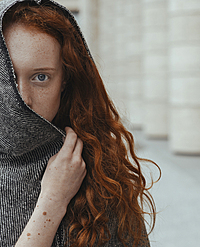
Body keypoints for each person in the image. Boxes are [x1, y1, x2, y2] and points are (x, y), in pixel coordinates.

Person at [0, 0, 159, 246]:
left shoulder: (100, 171)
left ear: (64, 81)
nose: (23, 99)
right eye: (8, 79)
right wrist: (52, 203)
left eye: (41, 77)